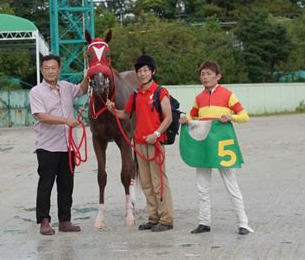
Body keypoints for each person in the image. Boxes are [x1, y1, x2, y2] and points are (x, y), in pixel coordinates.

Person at [179, 61, 254, 235]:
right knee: (202, 185)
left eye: (208, 74)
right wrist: (185, 119)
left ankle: (243, 223)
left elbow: (244, 116)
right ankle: (204, 222)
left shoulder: (228, 94)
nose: (205, 77)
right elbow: (191, 116)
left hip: (222, 147)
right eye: (202, 74)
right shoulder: (199, 98)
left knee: (231, 184)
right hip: (203, 145)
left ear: (217, 76)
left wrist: (231, 117)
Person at [106, 54, 174, 232]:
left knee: (159, 182)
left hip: (155, 142)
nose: (142, 74)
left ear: (153, 72)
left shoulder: (160, 92)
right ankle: (153, 217)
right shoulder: (136, 95)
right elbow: (125, 114)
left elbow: (168, 117)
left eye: (145, 70)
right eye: (139, 71)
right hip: (140, 143)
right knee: (145, 182)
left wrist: (157, 133)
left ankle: (166, 219)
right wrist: (112, 109)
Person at [29, 55, 88, 235]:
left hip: (68, 146)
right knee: (46, 184)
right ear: (41, 70)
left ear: (59, 69)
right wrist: (66, 121)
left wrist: (90, 72)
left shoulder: (67, 88)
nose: (50, 71)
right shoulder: (36, 92)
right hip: (47, 146)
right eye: (46, 68)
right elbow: (42, 116)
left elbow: (83, 89)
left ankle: (65, 221)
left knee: (66, 185)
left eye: (53, 68)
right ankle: (44, 221)